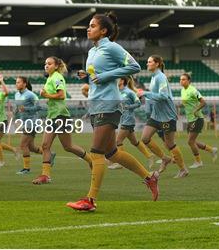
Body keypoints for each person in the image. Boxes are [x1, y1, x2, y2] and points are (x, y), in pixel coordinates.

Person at [66, 12, 159, 212]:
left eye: (92, 26)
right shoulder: (92, 51)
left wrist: (107, 75)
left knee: (96, 153)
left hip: (109, 105)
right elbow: (97, 76)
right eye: (88, 26)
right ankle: (150, 178)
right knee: (113, 153)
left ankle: (90, 200)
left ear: (104, 30)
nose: (88, 29)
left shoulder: (112, 47)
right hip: (96, 104)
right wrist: (87, 75)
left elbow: (134, 66)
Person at [32, 56, 91, 185]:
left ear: (56, 66)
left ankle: (91, 161)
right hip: (52, 115)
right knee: (45, 145)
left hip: (60, 115)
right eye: (45, 64)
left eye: (49, 64)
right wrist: (48, 100)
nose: (46, 66)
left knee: (68, 146)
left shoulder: (57, 77)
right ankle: (45, 176)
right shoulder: (50, 78)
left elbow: (61, 95)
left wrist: (46, 95)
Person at [139, 55, 188, 178]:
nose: (147, 64)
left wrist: (145, 93)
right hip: (156, 115)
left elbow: (164, 96)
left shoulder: (161, 77)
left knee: (169, 143)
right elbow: (153, 97)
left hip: (167, 115)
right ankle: (164, 158)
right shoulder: (154, 77)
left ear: (157, 64)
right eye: (147, 62)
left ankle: (183, 169)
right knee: (145, 138)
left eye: (149, 62)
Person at [109, 76, 155, 170]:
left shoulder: (129, 92)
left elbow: (138, 103)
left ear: (122, 81)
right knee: (134, 142)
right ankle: (149, 155)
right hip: (123, 119)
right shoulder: (118, 92)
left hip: (128, 120)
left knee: (118, 141)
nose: (116, 81)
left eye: (117, 79)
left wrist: (128, 107)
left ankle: (120, 162)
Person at [179, 73, 218, 169]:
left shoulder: (193, 90)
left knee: (190, 141)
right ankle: (212, 150)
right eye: (180, 79)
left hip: (197, 119)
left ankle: (198, 162)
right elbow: (186, 103)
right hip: (190, 119)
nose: (181, 81)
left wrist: (196, 110)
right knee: (193, 141)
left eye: (184, 79)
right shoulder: (182, 90)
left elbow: (203, 102)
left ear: (189, 81)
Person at [13, 76, 43, 175]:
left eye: (19, 82)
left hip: (33, 122)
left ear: (24, 84)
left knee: (23, 145)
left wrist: (26, 109)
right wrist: (15, 112)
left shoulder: (31, 95)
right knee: (31, 147)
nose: (17, 84)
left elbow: (39, 107)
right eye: (16, 82)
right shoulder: (16, 95)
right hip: (25, 122)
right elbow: (19, 108)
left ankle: (26, 169)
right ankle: (49, 154)